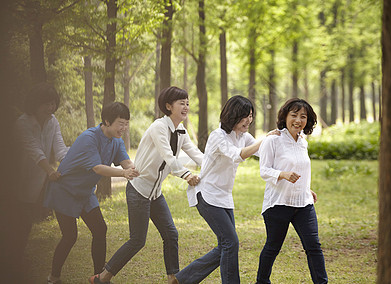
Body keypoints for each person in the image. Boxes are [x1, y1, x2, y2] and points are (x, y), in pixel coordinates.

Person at [90, 87, 203, 284]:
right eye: (181, 103)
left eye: (187, 103)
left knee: (171, 234)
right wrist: (186, 175)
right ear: (168, 106)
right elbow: (168, 156)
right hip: (139, 190)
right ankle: (102, 277)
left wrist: (218, 166)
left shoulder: (181, 131)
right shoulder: (159, 127)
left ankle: (172, 279)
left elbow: (197, 154)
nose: (186, 107)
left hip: (155, 193)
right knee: (137, 241)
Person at [172, 95, 278, 284]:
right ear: (232, 115)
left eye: (251, 115)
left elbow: (263, 153)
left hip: (224, 197)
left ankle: (182, 279)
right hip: (207, 195)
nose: (249, 120)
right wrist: (265, 139)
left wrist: (279, 141)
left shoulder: (243, 136)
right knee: (231, 243)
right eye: (245, 116)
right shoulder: (218, 136)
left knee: (225, 245)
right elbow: (237, 155)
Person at [44, 102, 140, 284]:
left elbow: (125, 162)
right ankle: (53, 277)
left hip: (85, 193)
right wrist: (124, 173)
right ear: (107, 121)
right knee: (70, 236)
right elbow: (97, 168)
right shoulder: (89, 138)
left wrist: (135, 169)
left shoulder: (117, 141)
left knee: (100, 229)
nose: (124, 128)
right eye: (121, 123)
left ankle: (99, 277)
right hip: (65, 190)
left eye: (127, 123)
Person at [255, 98, 328, 284]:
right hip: (278, 203)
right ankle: (261, 282)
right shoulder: (273, 140)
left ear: (308, 120)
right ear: (285, 117)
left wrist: (306, 189)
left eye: (303, 117)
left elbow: (301, 168)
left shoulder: (303, 142)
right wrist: (283, 174)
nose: (298, 120)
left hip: (303, 203)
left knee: (314, 247)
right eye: (294, 115)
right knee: (273, 247)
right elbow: (264, 171)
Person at [13, 84, 69, 281]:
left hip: (38, 183)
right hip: (16, 182)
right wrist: (50, 171)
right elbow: (35, 150)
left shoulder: (53, 122)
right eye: (46, 103)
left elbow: (61, 150)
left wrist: (79, 156)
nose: (50, 107)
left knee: (26, 224)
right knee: (19, 225)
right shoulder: (23, 122)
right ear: (35, 104)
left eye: (53, 103)